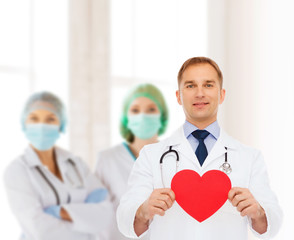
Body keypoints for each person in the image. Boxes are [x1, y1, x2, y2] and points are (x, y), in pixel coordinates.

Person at [117, 57, 283, 240]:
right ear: (178, 96)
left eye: (208, 85)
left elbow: (272, 220)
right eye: (190, 86)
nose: (200, 93)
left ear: (222, 95)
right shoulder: (151, 155)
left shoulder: (249, 157)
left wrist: (258, 212)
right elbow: (125, 217)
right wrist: (143, 211)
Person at [4, 91, 114, 240]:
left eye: (50, 119)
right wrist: (84, 222)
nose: (41, 126)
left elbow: (105, 215)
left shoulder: (76, 163)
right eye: (34, 119)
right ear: (24, 124)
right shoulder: (17, 171)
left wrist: (58, 212)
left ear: (60, 125)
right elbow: (39, 230)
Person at [95, 83, 168, 239]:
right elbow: (98, 217)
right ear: (126, 118)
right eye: (135, 110)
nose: (143, 116)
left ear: (162, 116)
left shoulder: (173, 157)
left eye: (151, 109)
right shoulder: (107, 160)